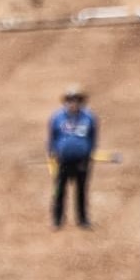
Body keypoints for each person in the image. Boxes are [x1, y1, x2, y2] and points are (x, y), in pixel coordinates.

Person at [48, 86, 98, 230]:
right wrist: (52, 153)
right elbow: (52, 137)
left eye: (76, 100)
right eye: (70, 100)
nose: (73, 103)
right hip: (62, 161)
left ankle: (82, 220)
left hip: (82, 161)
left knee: (81, 191)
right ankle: (57, 220)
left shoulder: (89, 118)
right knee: (59, 191)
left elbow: (93, 137)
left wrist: (89, 154)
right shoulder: (57, 117)